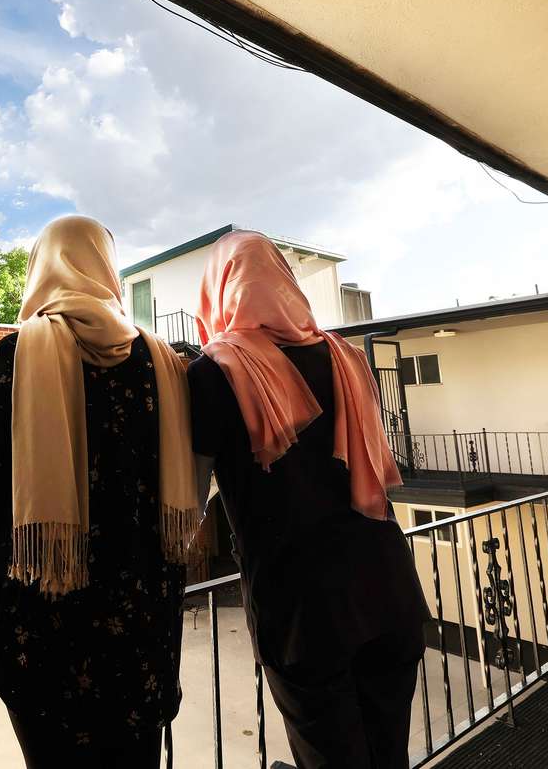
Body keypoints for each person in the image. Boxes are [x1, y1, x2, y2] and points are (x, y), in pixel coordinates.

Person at [0, 214, 200, 768]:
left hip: (48, 630)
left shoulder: (17, 355)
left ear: (42, 266)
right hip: (141, 626)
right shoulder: (163, 363)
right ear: (108, 268)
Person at [186, 230, 429, 769]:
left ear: (220, 289)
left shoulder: (214, 371)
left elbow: (190, 500)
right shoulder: (346, 356)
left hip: (302, 610)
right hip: (388, 587)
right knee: (388, 755)